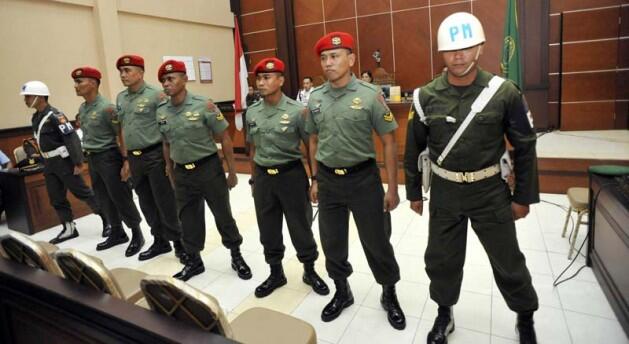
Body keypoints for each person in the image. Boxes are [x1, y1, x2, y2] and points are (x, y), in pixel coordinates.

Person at [403, 12, 539, 344]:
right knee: (441, 260)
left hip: (489, 192)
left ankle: (525, 317)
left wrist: (522, 197)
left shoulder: (504, 92)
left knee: (508, 261)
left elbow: (525, 146)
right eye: (451, 49)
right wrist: (414, 194)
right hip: (446, 193)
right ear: (441, 52)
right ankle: (444, 313)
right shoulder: (424, 97)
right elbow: (413, 148)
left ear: (479, 47)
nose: (458, 55)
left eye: (466, 48)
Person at [306, 32, 406, 330]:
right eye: (324, 58)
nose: (328, 62)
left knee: (376, 241)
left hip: (364, 180)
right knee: (332, 241)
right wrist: (314, 179)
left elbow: (388, 142)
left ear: (350, 60)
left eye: (335, 56)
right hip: (328, 181)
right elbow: (312, 141)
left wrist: (392, 187)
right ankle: (342, 291)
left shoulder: (369, 95)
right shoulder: (315, 98)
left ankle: (389, 293)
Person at [156, 60, 252, 281]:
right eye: (163, 80)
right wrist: (170, 172)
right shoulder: (162, 111)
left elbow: (225, 138)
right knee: (188, 219)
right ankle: (194, 260)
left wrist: (232, 171)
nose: (166, 84)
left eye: (171, 78)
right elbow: (166, 144)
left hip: (208, 169)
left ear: (184, 79)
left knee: (223, 215)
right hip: (182, 173)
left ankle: (236, 255)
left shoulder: (204, 105)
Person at [246, 57, 328, 298]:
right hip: (263, 177)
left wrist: (315, 180)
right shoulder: (252, 112)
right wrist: (253, 179)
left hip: (290, 175)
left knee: (300, 225)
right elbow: (252, 149)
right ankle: (275, 272)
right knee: (267, 227)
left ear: (280, 80)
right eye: (258, 78)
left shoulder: (297, 111)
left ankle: (309, 270)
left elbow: (311, 146)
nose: (261, 83)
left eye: (267, 77)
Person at [114, 55, 184, 262]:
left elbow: (168, 126)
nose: (123, 75)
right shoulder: (121, 98)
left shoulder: (157, 95)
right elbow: (122, 129)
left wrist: (169, 160)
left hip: (155, 154)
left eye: (128, 70)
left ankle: (179, 242)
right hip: (135, 159)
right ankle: (160, 241)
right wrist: (126, 158)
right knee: (145, 201)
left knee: (166, 201)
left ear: (141, 72)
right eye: (121, 71)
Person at [21, 80, 106, 244]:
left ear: (39, 97)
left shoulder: (55, 116)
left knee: (82, 192)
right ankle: (69, 227)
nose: (25, 100)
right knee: (56, 197)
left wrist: (78, 162)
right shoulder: (36, 117)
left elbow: (71, 138)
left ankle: (107, 219)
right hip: (48, 163)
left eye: (28, 96)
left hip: (63, 162)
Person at [72, 66, 145, 256]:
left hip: (109, 157)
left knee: (120, 196)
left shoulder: (107, 108)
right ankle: (117, 231)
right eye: (76, 82)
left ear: (94, 83)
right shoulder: (83, 108)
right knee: (103, 197)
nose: (76, 86)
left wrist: (125, 161)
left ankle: (136, 233)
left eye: (80, 82)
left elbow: (121, 135)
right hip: (93, 158)